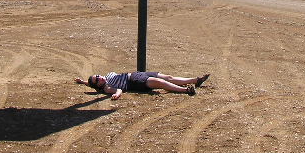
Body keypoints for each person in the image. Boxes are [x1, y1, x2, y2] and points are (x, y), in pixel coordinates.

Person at [74, 71, 210, 100]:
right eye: (97, 79)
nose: (99, 77)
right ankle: (185, 90)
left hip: (137, 74)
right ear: (98, 85)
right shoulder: (106, 87)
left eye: (97, 75)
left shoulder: (104, 78)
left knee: (169, 77)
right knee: (161, 84)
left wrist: (83, 82)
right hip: (134, 82)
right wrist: (116, 94)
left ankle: (195, 80)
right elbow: (118, 89)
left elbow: (91, 84)